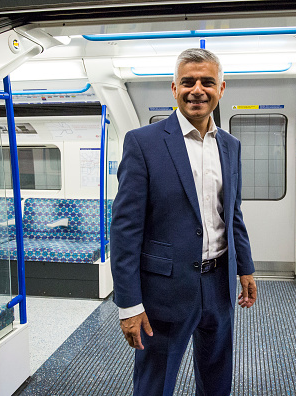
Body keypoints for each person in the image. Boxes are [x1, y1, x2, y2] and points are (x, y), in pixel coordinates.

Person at [110, 47, 257, 396]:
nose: (197, 90)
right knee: (155, 383)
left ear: (221, 89)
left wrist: (245, 268)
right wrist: (129, 304)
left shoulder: (230, 146)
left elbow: (232, 213)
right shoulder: (143, 143)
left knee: (217, 377)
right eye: (188, 82)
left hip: (219, 284)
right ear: (174, 89)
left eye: (207, 82)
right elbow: (125, 229)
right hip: (165, 288)